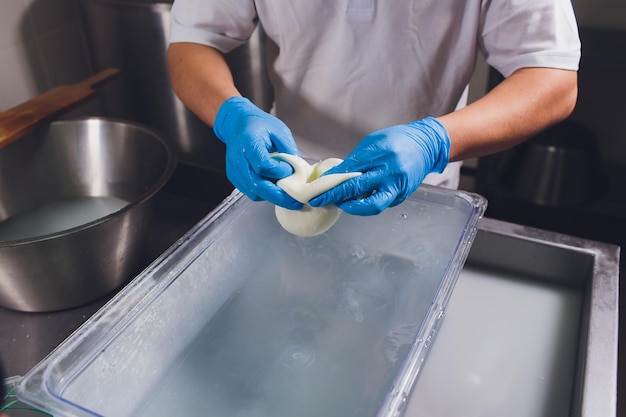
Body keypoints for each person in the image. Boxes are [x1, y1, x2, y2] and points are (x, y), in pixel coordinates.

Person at [167, 1, 580, 216]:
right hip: (287, 178)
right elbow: (194, 40)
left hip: (419, 186)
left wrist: (433, 142)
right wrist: (232, 115)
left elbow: (552, 78)